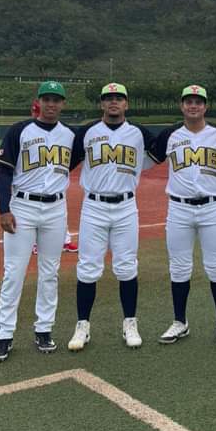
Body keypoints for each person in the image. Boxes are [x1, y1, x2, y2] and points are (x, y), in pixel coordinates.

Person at [147, 85, 216, 347]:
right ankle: (180, 321)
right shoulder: (170, 134)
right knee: (179, 267)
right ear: (182, 105)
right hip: (178, 208)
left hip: (212, 207)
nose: (193, 106)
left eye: (198, 102)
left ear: (205, 106)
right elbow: (151, 159)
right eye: (189, 101)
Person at [66, 82, 156, 351]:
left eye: (118, 98)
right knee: (88, 267)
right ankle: (82, 325)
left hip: (126, 206)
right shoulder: (87, 132)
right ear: (101, 104)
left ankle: (130, 323)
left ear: (126, 103)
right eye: (108, 98)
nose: (113, 102)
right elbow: (68, 162)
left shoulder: (139, 132)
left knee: (127, 266)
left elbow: (160, 153)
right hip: (93, 206)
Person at [0, 81, 75, 362]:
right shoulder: (19, 130)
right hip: (23, 207)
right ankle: (4, 335)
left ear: (63, 104)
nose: (51, 104)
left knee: (50, 271)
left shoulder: (69, 135)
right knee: (14, 272)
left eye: (56, 100)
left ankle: (44, 330)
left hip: (56, 208)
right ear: (39, 102)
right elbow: (4, 174)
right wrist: (4, 210)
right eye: (47, 99)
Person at [30, 97, 78, 254]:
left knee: (59, 211)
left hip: (56, 184)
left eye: (36, 111)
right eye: (34, 112)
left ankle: (65, 240)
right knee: (34, 213)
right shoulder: (28, 130)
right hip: (33, 185)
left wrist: (62, 170)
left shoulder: (63, 132)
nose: (35, 114)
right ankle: (35, 242)